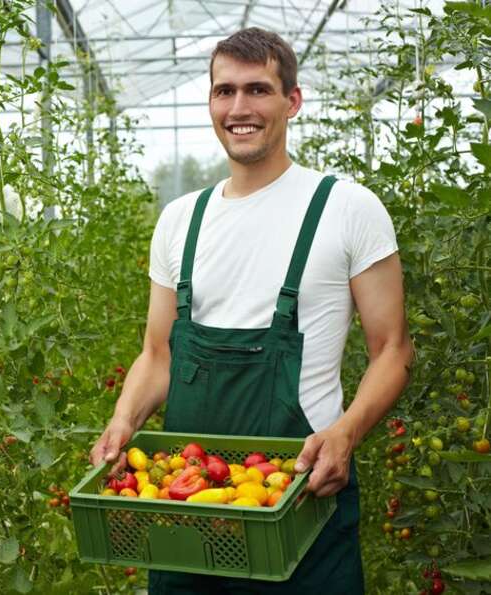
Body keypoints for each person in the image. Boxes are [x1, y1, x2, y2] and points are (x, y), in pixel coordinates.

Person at [89, 27, 414, 593]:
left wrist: (344, 434)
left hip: (300, 507)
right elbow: (156, 354)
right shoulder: (180, 221)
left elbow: (394, 350)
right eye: (224, 91)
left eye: (258, 90)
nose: (239, 108)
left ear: (292, 101)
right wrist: (123, 421)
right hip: (185, 508)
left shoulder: (345, 208)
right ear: (211, 102)